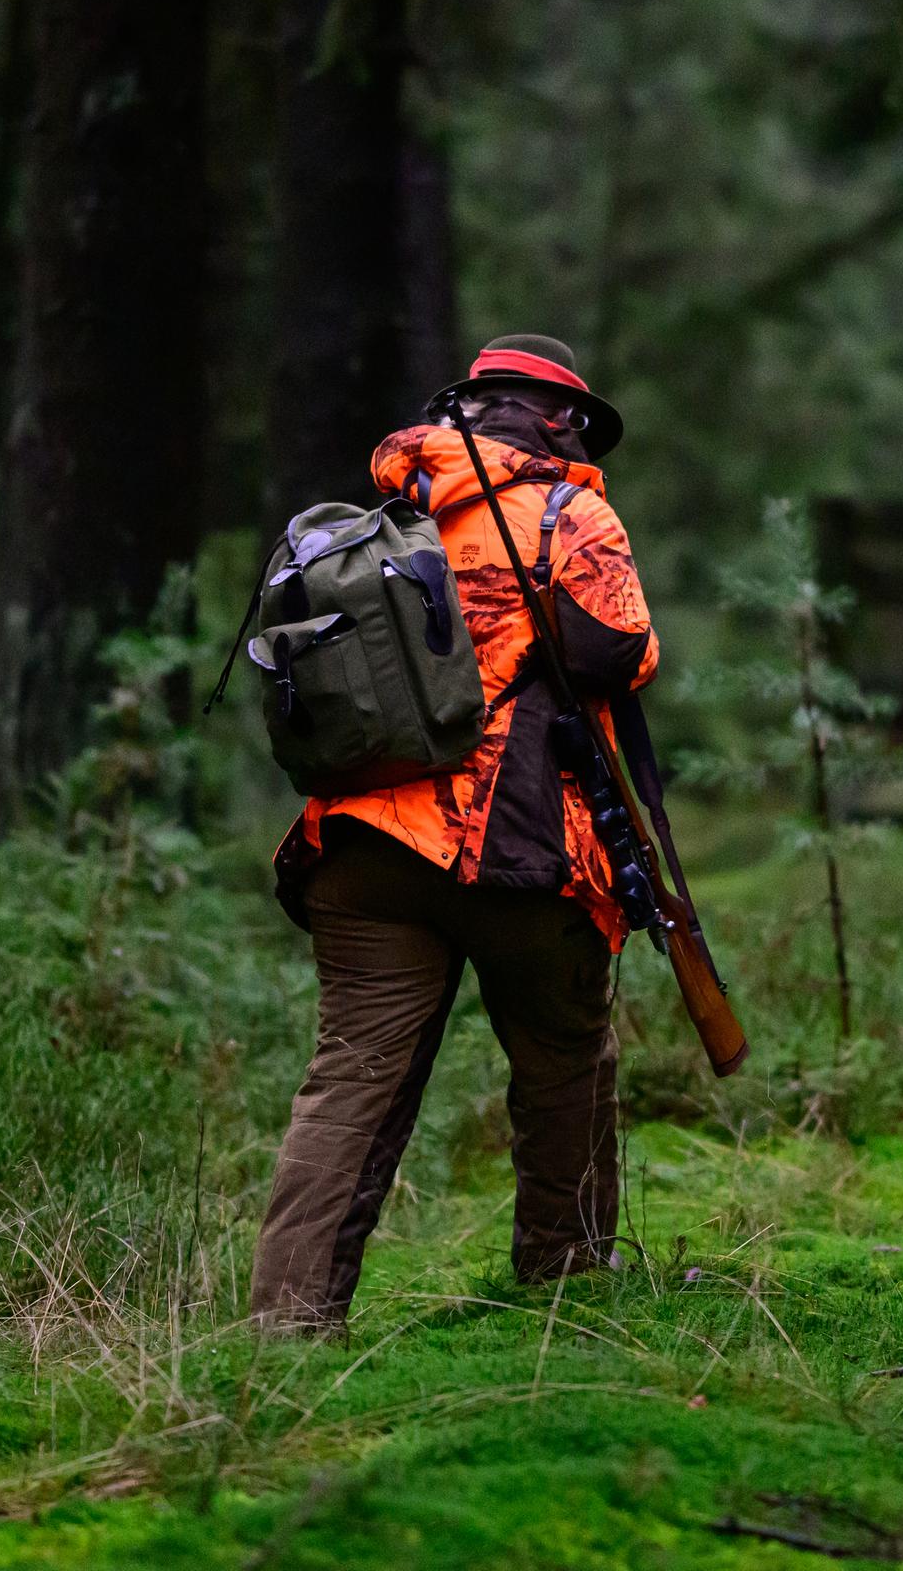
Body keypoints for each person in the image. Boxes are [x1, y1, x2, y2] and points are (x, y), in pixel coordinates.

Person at [249, 333, 660, 1328]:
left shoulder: (387, 512)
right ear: (556, 420)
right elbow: (619, 651)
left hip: (363, 844)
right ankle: (564, 1275)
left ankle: (287, 1319)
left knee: (350, 1080)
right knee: (566, 1057)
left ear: (466, 411)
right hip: (525, 848)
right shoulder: (570, 509)